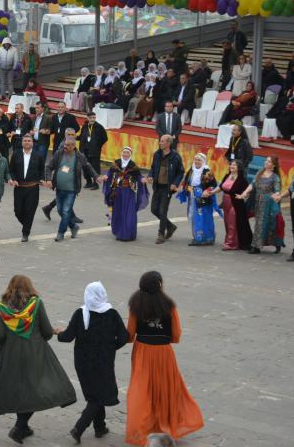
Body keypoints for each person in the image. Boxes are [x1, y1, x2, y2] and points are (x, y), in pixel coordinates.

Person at [0, 275, 77, 443]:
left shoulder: (3, 308)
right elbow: (47, 332)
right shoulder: (36, 304)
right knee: (35, 390)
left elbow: (0, 334)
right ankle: (20, 427)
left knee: (21, 390)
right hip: (35, 353)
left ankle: (23, 427)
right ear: (29, 287)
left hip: (10, 355)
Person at [125, 271, 204, 445]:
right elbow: (175, 334)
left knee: (142, 389)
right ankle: (164, 425)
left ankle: (143, 426)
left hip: (142, 352)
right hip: (163, 353)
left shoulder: (135, 305)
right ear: (160, 285)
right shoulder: (169, 305)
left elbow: (130, 334)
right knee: (165, 389)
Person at [57, 282, 129, 444]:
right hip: (103, 362)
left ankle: (99, 427)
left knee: (95, 394)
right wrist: (111, 347)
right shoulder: (112, 314)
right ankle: (79, 428)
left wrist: (59, 332)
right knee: (98, 396)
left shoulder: (80, 313)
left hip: (83, 362)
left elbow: (67, 337)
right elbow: (124, 337)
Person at [45, 136, 99, 242]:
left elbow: (88, 166)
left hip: (72, 190)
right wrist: (48, 179)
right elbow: (48, 167)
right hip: (59, 188)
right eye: (65, 144)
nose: (65, 146)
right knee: (61, 211)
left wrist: (96, 176)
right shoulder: (59, 153)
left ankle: (61, 233)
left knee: (65, 211)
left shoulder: (79, 156)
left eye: (68, 145)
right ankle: (73, 227)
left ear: (74, 146)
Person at [238, 156, 284, 255]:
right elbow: (252, 184)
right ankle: (256, 245)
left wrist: (276, 195)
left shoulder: (275, 177)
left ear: (273, 165)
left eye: (269, 161)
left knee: (270, 224)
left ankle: (274, 243)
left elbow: (277, 190)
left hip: (269, 203)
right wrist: (244, 193)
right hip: (258, 201)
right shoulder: (260, 172)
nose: (266, 162)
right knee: (259, 223)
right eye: (266, 161)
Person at [101, 147, 149, 242]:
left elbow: (138, 176)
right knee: (118, 211)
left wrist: (142, 179)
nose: (126, 154)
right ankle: (119, 232)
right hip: (117, 191)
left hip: (129, 192)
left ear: (130, 154)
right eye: (124, 152)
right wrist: (106, 176)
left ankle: (128, 234)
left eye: (127, 153)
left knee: (129, 212)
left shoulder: (133, 166)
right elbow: (109, 172)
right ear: (121, 153)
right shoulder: (116, 164)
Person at [144, 135, 184, 245]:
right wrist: (151, 175)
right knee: (154, 209)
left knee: (162, 211)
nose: (160, 143)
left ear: (168, 143)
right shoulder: (157, 154)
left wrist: (175, 183)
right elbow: (152, 168)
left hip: (167, 188)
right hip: (157, 186)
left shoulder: (175, 156)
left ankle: (161, 234)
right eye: (160, 141)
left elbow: (180, 172)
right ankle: (170, 226)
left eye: (162, 141)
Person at [8, 134, 45, 242]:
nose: (27, 142)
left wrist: (42, 179)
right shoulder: (16, 154)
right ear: (22, 142)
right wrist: (13, 179)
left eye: (29, 141)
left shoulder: (38, 155)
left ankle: (25, 233)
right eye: (25, 141)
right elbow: (11, 170)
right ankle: (27, 224)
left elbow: (41, 170)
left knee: (29, 211)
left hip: (33, 188)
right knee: (17, 210)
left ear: (32, 143)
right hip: (19, 187)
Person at [210, 160, 252, 251]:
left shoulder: (242, 180)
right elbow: (221, 187)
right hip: (226, 202)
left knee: (232, 223)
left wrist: (242, 196)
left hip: (236, 203)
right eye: (231, 164)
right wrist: (212, 192)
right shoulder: (227, 176)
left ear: (239, 168)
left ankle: (231, 244)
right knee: (227, 222)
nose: (232, 166)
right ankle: (232, 241)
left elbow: (248, 192)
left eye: (234, 165)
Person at [177, 154, 219, 246]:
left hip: (204, 200)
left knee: (204, 218)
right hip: (192, 199)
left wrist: (206, 191)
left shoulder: (207, 172)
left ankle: (209, 237)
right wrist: (183, 188)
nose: (197, 162)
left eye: (199, 160)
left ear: (203, 161)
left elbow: (213, 185)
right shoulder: (191, 170)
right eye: (195, 160)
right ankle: (196, 237)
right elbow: (186, 182)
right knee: (193, 217)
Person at [77, 112, 107, 190]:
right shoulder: (85, 126)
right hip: (84, 150)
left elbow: (105, 138)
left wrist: (97, 145)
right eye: (91, 117)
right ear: (87, 118)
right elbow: (81, 136)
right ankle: (88, 181)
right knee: (85, 166)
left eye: (94, 117)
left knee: (94, 167)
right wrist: (75, 137)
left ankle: (95, 183)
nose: (93, 119)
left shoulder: (99, 127)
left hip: (94, 151)